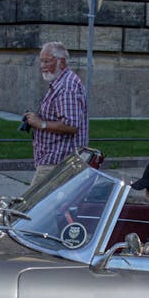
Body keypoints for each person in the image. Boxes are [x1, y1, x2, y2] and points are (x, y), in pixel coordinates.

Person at [23, 41, 88, 189]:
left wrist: (41, 124)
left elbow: (71, 125)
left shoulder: (67, 87)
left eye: (47, 61)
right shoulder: (60, 83)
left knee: (32, 209)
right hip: (56, 161)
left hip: (58, 163)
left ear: (62, 62)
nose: (42, 65)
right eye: (41, 61)